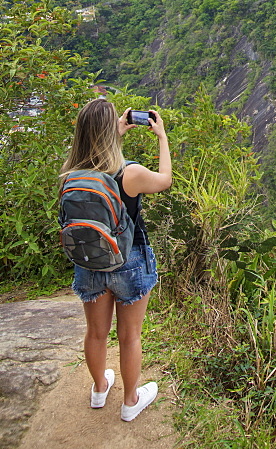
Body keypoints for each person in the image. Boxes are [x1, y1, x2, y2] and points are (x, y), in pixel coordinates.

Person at [60, 98, 172, 421]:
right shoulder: (130, 174)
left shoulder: (71, 175)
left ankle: (98, 389)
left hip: (90, 264)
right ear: (110, 133)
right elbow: (165, 180)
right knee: (129, 335)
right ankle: (130, 401)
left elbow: (98, 167)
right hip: (130, 263)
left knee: (95, 333)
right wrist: (162, 136)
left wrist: (115, 133)